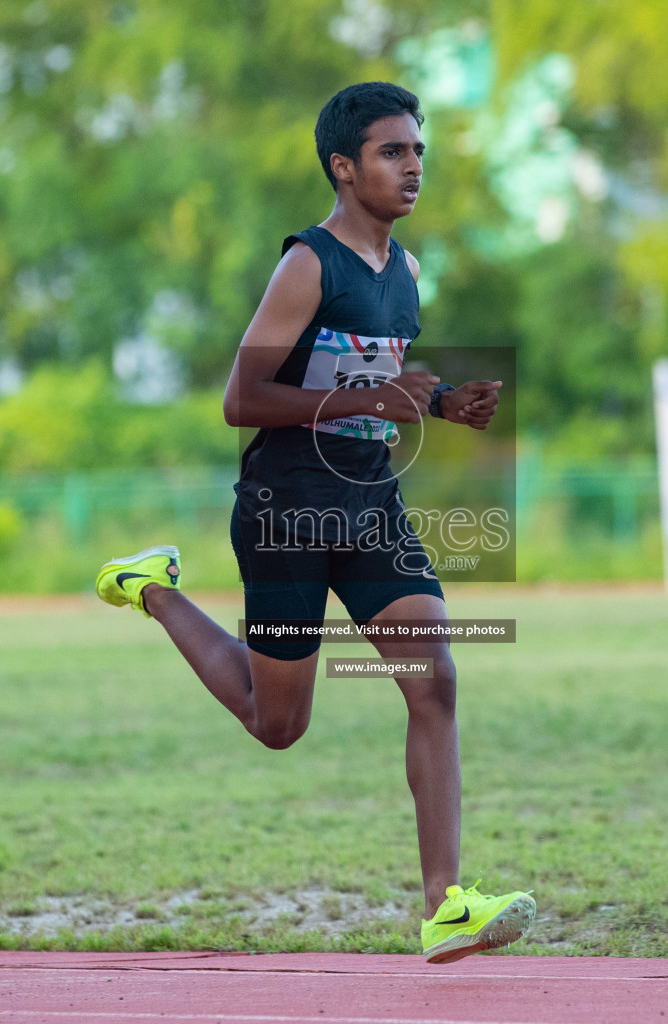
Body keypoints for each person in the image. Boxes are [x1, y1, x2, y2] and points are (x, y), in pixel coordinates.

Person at [95, 82, 531, 963]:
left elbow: (374, 385)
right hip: (286, 508)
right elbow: (242, 401)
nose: (412, 168)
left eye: (418, 153)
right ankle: (150, 589)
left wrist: (440, 401)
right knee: (276, 723)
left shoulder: (405, 273)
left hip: (369, 503)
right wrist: (376, 394)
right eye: (391, 153)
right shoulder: (308, 265)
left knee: (435, 678)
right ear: (344, 166)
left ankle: (446, 904)